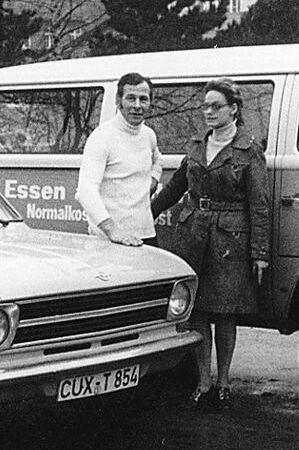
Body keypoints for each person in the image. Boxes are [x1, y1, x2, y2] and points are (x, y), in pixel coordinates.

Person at [151, 77, 269, 409]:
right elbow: (175, 189)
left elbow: (259, 204)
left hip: (231, 240)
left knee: (226, 314)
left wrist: (260, 253)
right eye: (205, 106)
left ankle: (224, 381)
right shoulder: (196, 146)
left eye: (216, 106)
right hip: (193, 236)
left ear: (234, 109)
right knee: (198, 313)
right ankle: (203, 381)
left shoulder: (248, 150)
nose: (209, 112)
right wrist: (145, 214)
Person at [76, 72, 163, 246]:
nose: (137, 106)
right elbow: (86, 191)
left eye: (143, 99)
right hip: (109, 239)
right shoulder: (101, 137)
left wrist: (153, 180)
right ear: (118, 100)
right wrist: (111, 230)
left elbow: (158, 159)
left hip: (146, 233)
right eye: (131, 98)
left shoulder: (149, 135)